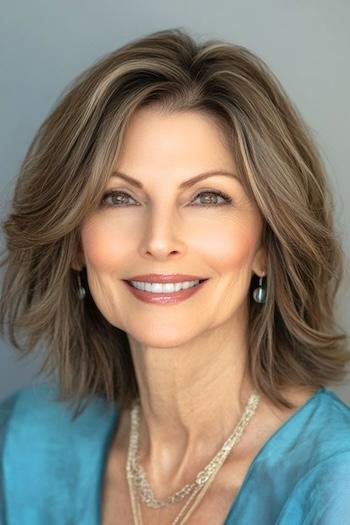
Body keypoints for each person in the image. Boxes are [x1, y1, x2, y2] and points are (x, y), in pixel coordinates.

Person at [0, 27, 350, 525]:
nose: (160, 240)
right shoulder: (22, 445)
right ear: (74, 240)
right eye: (118, 197)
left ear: (267, 245)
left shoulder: (336, 483)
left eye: (208, 197)